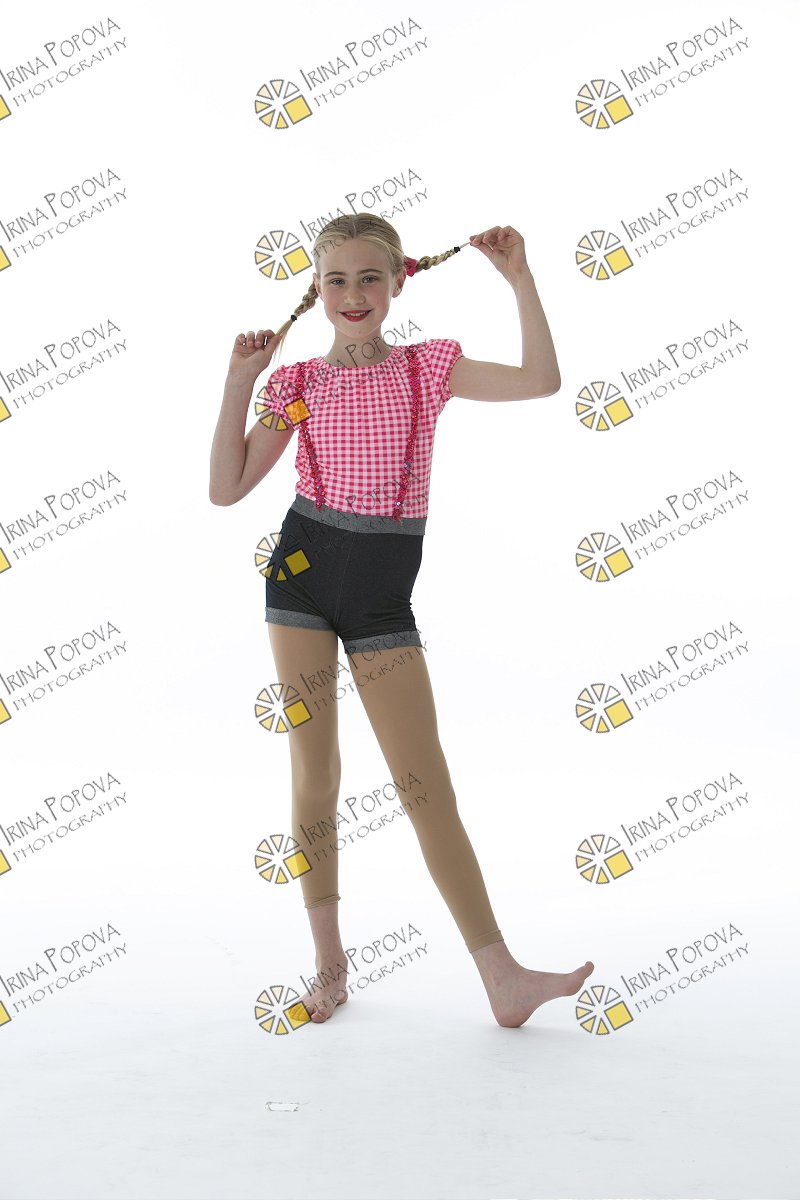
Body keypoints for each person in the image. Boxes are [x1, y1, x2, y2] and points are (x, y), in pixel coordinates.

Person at [209, 215, 594, 1027]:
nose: (353, 295)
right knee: (315, 774)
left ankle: (502, 977)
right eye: (336, 280)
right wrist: (240, 382)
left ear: (398, 283)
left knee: (425, 784)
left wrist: (520, 280)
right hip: (301, 580)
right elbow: (227, 488)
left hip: (382, 593)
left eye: (369, 278)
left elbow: (541, 380)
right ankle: (329, 970)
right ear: (317, 290)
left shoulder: (428, 367)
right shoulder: (298, 383)